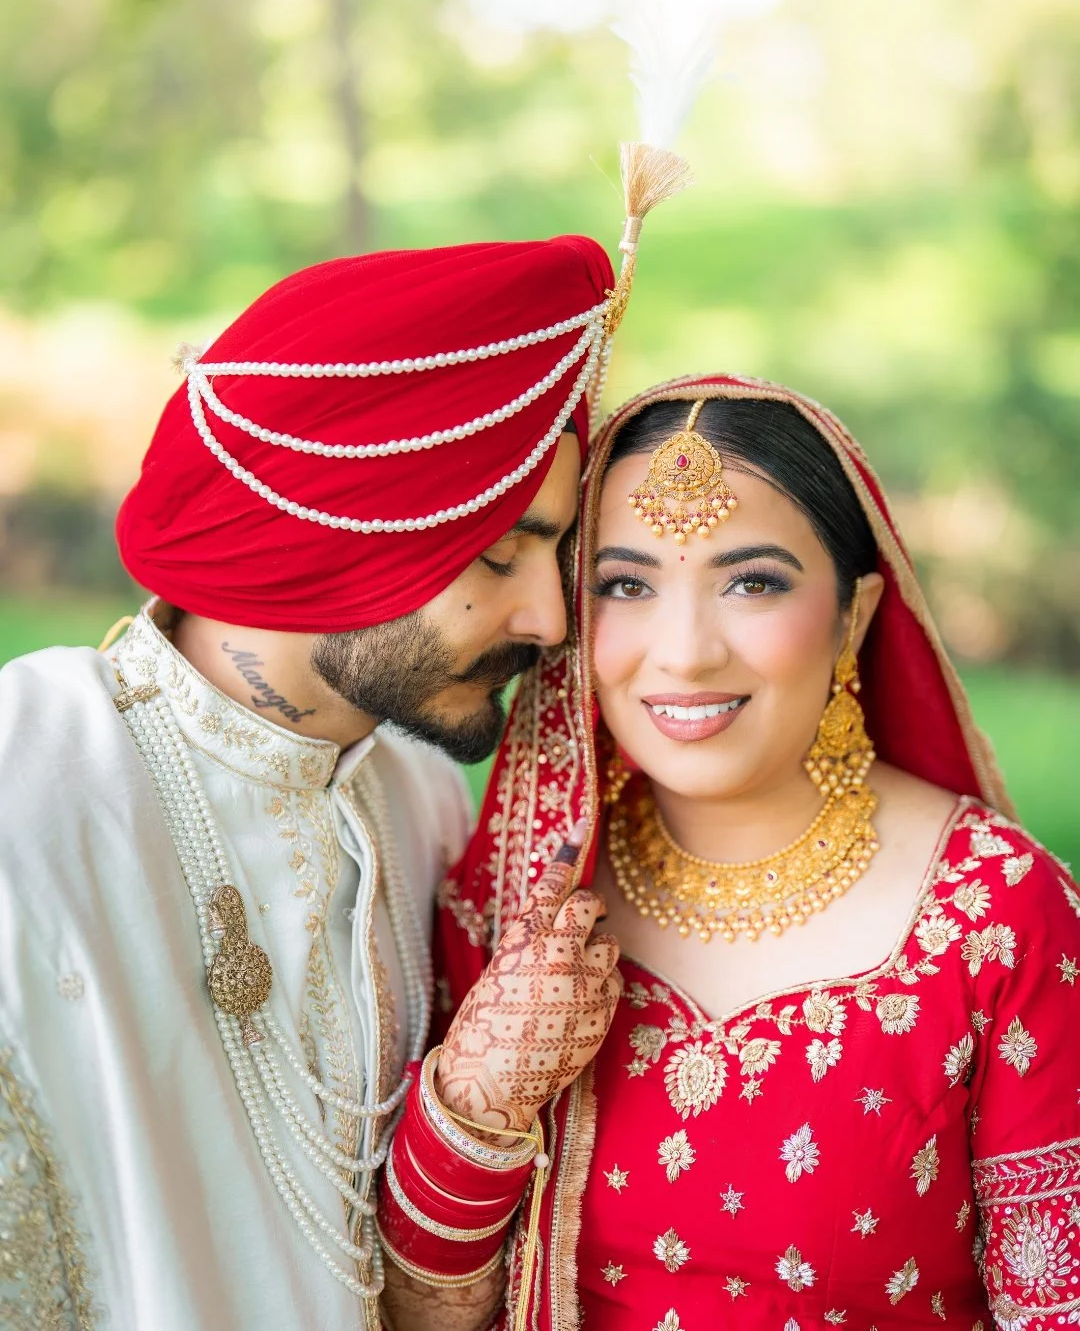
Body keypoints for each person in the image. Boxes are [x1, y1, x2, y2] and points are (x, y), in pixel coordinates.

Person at [0, 235, 618, 1330]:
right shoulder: (30, 778)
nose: (549, 621)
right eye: (498, 555)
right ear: (333, 525)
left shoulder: (420, 801)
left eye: (556, 555)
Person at [384, 372, 1080, 1330]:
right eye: (626, 585)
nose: (684, 652)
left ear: (856, 615)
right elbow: (420, 1314)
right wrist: (474, 1111)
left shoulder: (993, 912)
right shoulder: (527, 894)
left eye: (752, 583)